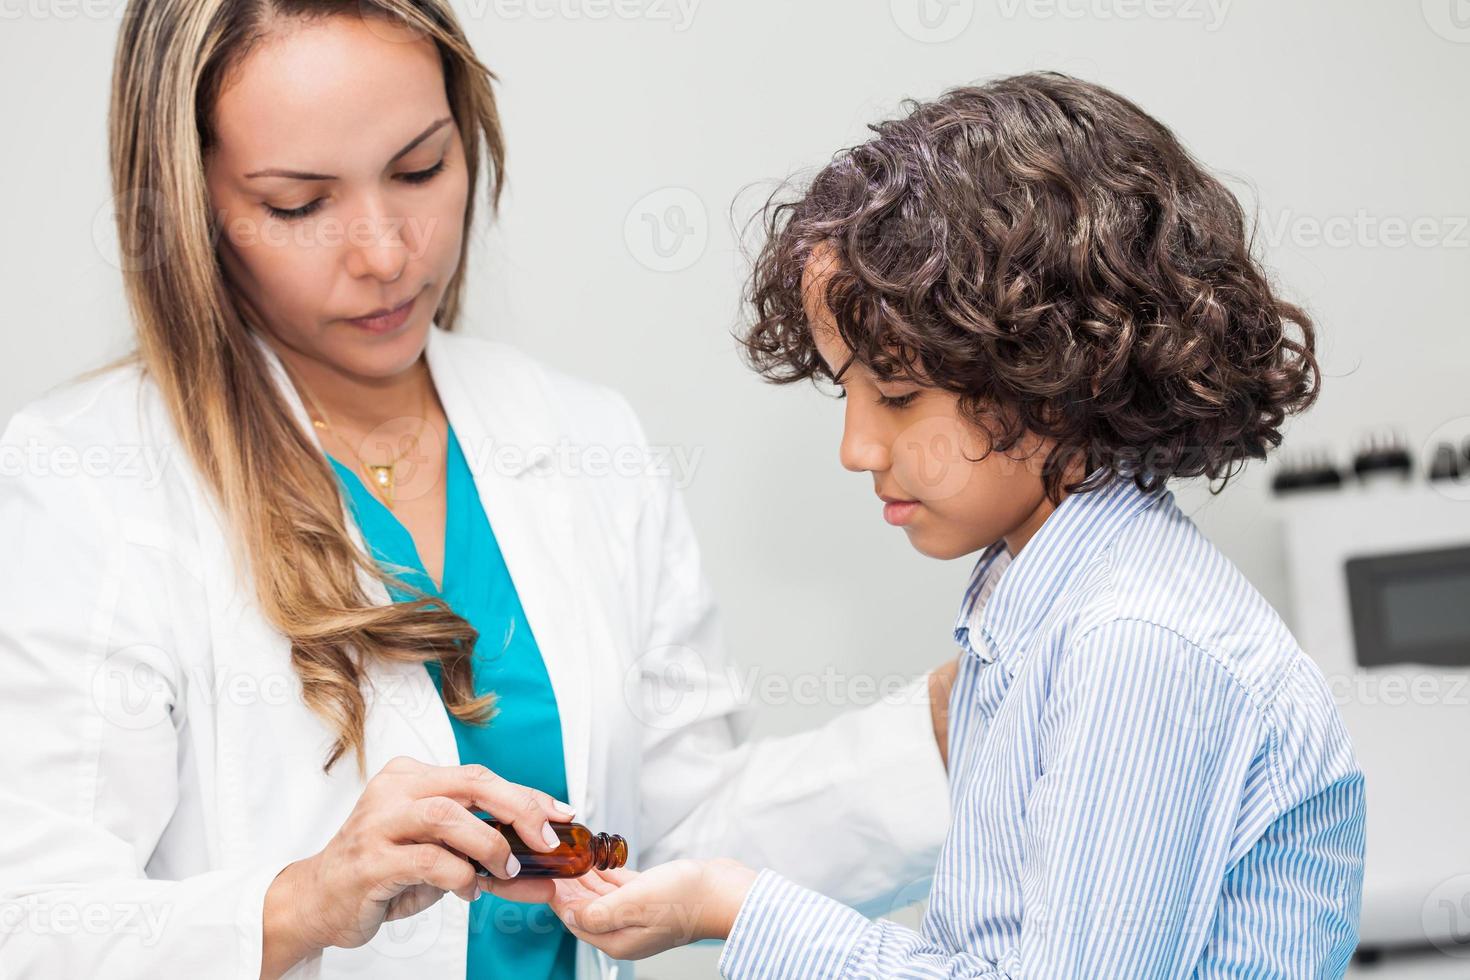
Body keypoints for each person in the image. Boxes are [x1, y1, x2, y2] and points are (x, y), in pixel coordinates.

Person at [0, 4, 959, 978]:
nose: (386, 252)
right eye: (299, 204)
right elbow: (30, 925)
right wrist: (305, 900)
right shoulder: (85, 481)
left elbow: (673, 835)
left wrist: (946, 729)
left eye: (420, 170)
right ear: (190, 201)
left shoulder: (585, 436)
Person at [545, 72, 1367, 978]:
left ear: (1065, 369)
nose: (858, 448)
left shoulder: (1136, 645)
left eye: (895, 396)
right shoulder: (1037, 612)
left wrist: (743, 911)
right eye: (846, 392)